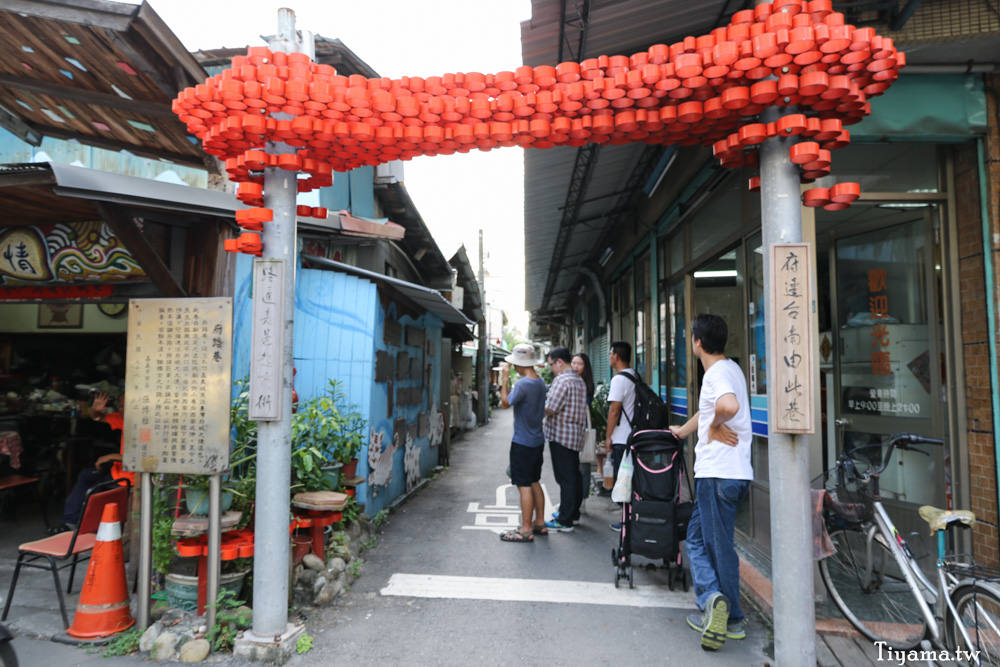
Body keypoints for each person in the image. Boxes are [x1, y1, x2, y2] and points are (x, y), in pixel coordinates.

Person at [668, 314, 752, 650]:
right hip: (732, 473)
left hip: (717, 474)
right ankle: (715, 600)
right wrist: (683, 431)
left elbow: (725, 406)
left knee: (715, 546)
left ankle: (724, 610)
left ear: (697, 343)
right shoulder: (730, 368)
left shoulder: (715, 372)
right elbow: (710, 410)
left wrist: (716, 426)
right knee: (696, 538)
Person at [53, 391, 133, 533]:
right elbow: (98, 417)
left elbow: (142, 457)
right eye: (119, 406)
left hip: (127, 479)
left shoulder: (145, 426)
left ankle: (78, 524)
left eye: (125, 406)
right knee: (86, 475)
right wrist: (95, 410)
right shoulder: (123, 419)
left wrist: (110, 457)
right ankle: (70, 521)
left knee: (94, 489)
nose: (121, 410)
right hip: (116, 471)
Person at [496, 344, 548, 543]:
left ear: (519, 364)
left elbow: (504, 403)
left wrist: (505, 379)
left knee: (523, 484)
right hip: (536, 440)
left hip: (522, 442)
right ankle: (540, 522)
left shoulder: (523, 384)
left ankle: (526, 529)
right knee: (534, 480)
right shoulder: (540, 382)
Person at [542, 347, 588, 533]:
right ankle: (572, 513)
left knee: (565, 478)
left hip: (561, 435)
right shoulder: (579, 380)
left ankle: (565, 520)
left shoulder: (562, 380)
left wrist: (540, 405)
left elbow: (551, 408)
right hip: (574, 435)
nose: (551, 368)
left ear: (559, 362)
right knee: (573, 476)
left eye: (551, 364)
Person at [604, 341, 637, 531]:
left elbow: (614, 410)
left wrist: (608, 437)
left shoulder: (619, 380)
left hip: (622, 439)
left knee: (622, 482)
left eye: (610, 354)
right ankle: (630, 519)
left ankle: (626, 522)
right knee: (629, 481)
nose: (609, 357)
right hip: (632, 437)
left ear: (616, 356)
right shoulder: (634, 375)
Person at [570, 353, 595, 517]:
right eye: (573, 363)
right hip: (573, 430)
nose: (575, 366)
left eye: (579, 364)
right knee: (573, 468)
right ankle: (574, 501)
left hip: (582, 430)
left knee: (583, 468)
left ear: (585, 367)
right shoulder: (571, 381)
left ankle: (582, 501)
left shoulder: (585, 385)